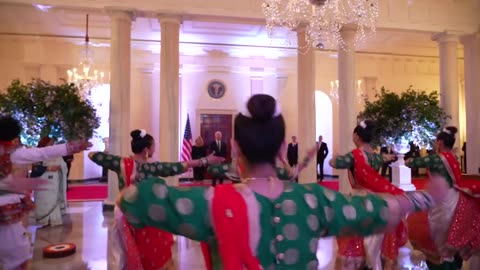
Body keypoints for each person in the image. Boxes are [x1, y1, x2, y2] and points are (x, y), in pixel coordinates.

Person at [117, 94, 445, 270]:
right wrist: (422, 199)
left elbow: (134, 198)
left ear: (234, 147)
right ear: (278, 149)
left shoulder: (212, 204)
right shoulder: (314, 200)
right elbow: (374, 210)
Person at [89, 129, 224, 270]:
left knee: (126, 252)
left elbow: (96, 156)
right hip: (147, 218)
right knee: (150, 253)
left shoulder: (121, 163)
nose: (154, 148)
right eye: (153, 146)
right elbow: (177, 167)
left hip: (125, 216)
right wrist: (205, 161)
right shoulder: (151, 168)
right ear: (146, 150)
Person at [0, 115, 89, 270]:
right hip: (6, 209)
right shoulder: (13, 153)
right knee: (16, 254)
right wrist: (73, 147)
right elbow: (43, 153)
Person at [329, 120, 406, 269]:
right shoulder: (376, 157)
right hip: (377, 201)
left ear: (356, 136)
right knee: (376, 242)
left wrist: (335, 157)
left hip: (359, 202)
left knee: (354, 241)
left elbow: (334, 163)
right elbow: (384, 159)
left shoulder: (354, 155)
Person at [406, 126, 480, 270]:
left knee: (442, 239)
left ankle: (447, 264)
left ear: (439, 142)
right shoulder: (453, 157)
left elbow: (413, 163)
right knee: (452, 235)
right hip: (455, 199)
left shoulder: (436, 159)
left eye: (436, 142)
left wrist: (407, 160)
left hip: (443, 203)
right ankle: (454, 262)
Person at [34, 137, 69, 227]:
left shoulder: (56, 154)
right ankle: (43, 220)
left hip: (54, 181)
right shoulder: (37, 153)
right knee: (44, 200)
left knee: (54, 198)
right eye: (49, 143)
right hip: (41, 182)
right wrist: (48, 168)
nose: (51, 145)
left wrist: (60, 168)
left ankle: (54, 220)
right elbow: (34, 168)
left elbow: (64, 166)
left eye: (52, 143)